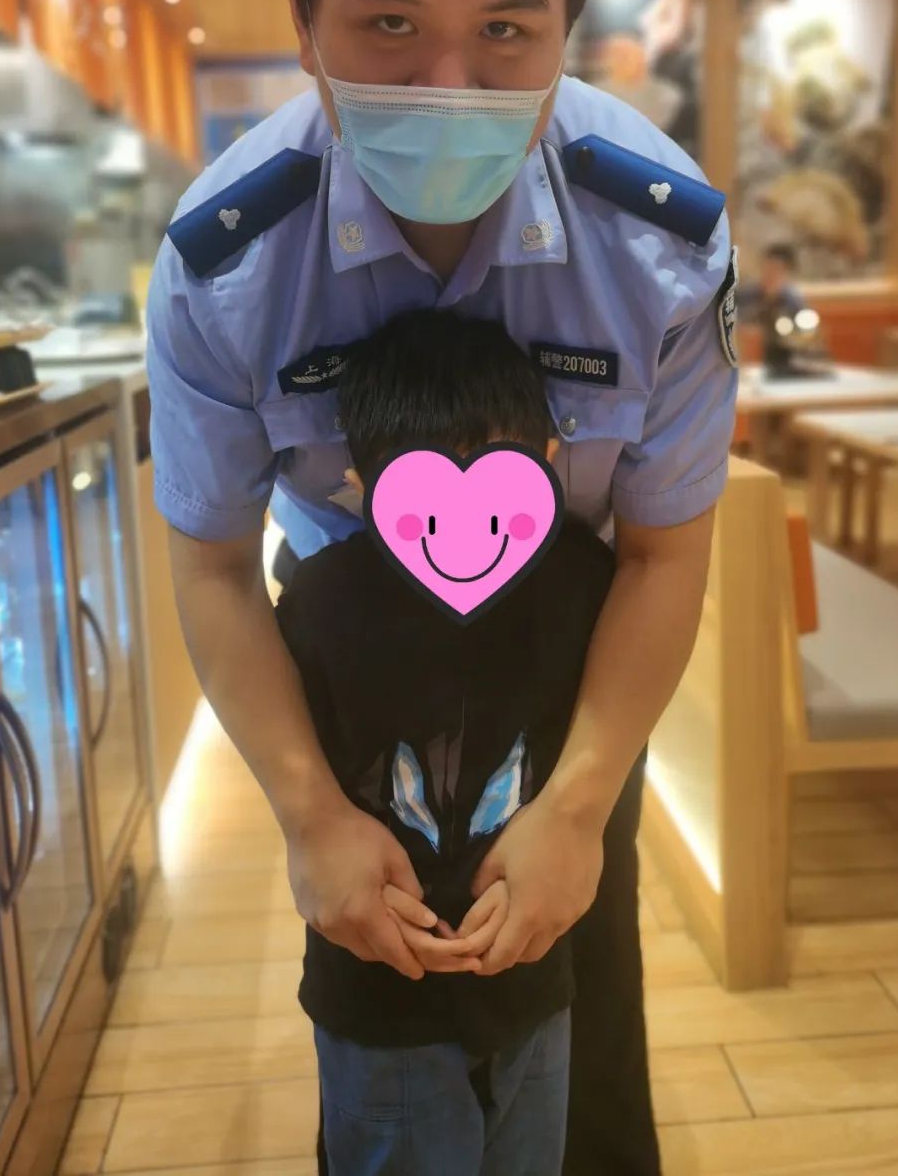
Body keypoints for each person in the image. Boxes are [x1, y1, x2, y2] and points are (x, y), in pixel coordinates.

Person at [146, 0, 738, 1172]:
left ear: (571, 27)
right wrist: (307, 812)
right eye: (391, 21)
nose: (450, 82)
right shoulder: (226, 263)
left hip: (569, 677)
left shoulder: (659, 246)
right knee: (377, 1036)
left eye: (509, 31)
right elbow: (213, 567)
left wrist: (581, 803)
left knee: (586, 1034)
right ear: (304, 18)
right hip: (353, 683)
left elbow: (666, 551)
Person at [274, 308, 616, 1175]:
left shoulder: (585, 583)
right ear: (362, 488)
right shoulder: (321, 603)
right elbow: (294, 760)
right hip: (378, 992)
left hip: (533, 974)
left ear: (547, 465)